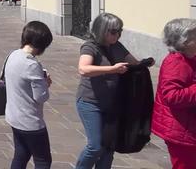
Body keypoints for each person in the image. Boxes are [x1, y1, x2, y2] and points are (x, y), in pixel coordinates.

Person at [75, 13, 151, 169]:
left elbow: (134, 63)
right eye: (114, 31)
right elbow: (83, 69)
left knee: (109, 147)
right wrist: (112, 69)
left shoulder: (117, 46)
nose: (118, 35)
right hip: (90, 103)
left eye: (120, 31)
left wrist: (144, 64)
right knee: (95, 146)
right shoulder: (90, 47)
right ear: (102, 30)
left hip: (112, 105)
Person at [5, 21, 54, 169]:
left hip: (13, 116)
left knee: (21, 154)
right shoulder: (32, 65)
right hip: (30, 122)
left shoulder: (13, 55)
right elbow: (41, 96)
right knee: (43, 160)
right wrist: (46, 83)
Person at [152, 18, 196, 169]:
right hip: (181, 132)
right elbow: (172, 96)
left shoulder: (190, 57)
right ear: (182, 42)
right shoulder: (175, 62)